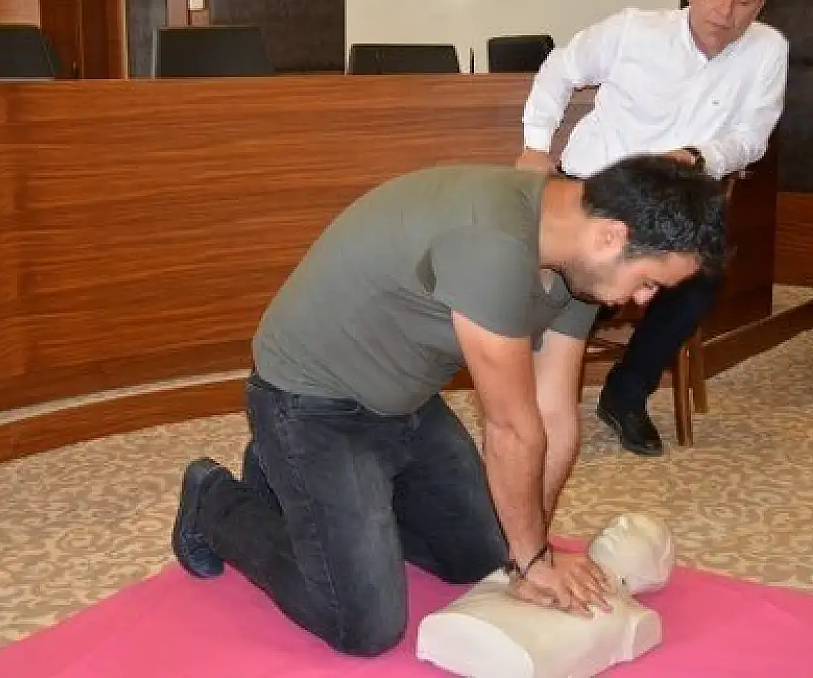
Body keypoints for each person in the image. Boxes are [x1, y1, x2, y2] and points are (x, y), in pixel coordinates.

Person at [171, 157, 728, 657]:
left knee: (485, 557)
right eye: (649, 282)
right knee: (362, 624)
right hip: (310, 402)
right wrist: (534, 560)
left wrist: (528, 556)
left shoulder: (579, 266)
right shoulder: (492, 243)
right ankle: (214, 501)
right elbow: (511, 428)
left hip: (406, 400)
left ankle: (295, 485)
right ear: (611, 235)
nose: (642, 301)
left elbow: (554, 415)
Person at [516, 0, 787, 457]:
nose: (725, 11)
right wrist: (536, 144)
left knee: (704, 276)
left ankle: (627, 392)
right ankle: (534, 392)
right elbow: (560, 69)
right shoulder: (633, 31)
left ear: (761, 5)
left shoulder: (768, 50)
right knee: (567, 276)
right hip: (594, 188)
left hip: (676, 200)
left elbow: (752, 137)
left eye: (744, 1)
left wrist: (699, 157)